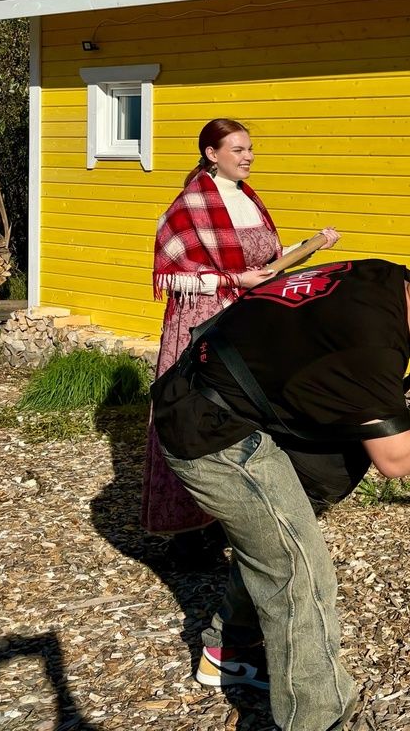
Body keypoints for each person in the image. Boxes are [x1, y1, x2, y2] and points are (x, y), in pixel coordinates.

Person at [152, 253, 410, 731]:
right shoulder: (367, 343)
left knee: (319, 489)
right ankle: (319, 719)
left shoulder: (393, 281)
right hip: (212, 426)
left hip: (243, 392)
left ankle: (228, 646)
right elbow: (397, 458)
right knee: (298, 569)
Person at [143, 118, 339, 543]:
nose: (248, 157)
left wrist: (311, 246)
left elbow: (263, 263)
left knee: (245, 413)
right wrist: (230, 282)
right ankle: (189, 533)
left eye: (250, 149)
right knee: (195, 416)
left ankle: (238, 516)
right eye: (238, 150)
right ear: (212, 154)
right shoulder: (187, 206)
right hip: (201, 324)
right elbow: (170, 275)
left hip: (247, 319)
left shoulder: (250, 199)